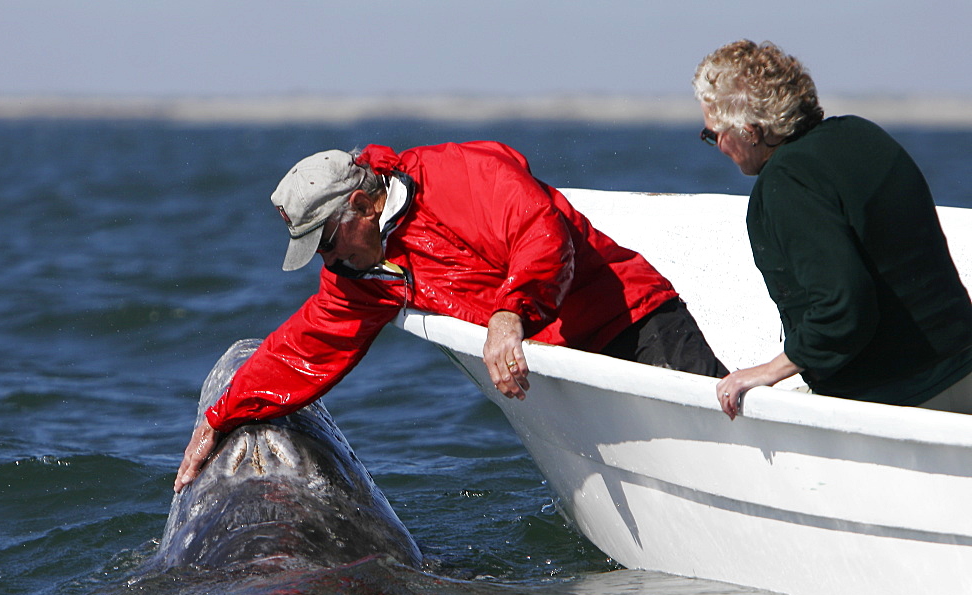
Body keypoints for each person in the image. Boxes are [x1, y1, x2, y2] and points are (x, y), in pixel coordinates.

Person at [174, 141, 727, 491]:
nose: (328, 259)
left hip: (632, 318)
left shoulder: (459, 176)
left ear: (364, 207)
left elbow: (539, 232)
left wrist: (511, 314)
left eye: (327, 241)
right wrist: (220, 417)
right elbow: (310, 343)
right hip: (564, 366)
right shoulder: (365, 269)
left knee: (723, 434)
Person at [693, 39, 972, 419]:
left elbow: (845, 305)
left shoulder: (785, 183)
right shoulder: (862, 135)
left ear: (750, 131)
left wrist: (769, 371)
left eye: (713, 134)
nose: (716, 146)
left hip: (906, 399)